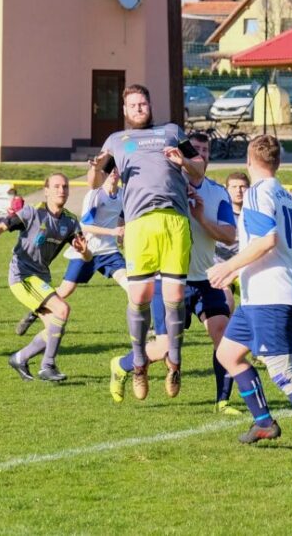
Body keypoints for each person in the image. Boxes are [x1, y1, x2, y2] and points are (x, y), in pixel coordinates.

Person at [207, 135, 292, 461]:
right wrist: (239, 271)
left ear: (249, 160)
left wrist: (229, 267)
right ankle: (264, 422)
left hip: (270, 295)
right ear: (278, 163)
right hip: (257, 296)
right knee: (228, 354)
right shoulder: (284, 195)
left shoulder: (257, 192)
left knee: (283, 372)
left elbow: (267, 240)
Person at [90, 83, 205, 400]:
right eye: (133, 105)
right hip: (139, 224)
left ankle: (175, 362)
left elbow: (199, 170)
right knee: (139, 296)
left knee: (174, 295)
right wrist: (99, 169)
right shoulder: (117, 141)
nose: (139, 108)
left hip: (174, 220)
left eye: (143, 103)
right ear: (125, 110)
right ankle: (139, 363)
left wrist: (183, 162)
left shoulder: (171, 132)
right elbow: (96, 182)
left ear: (150, 105)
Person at [110, 132, 239, 413]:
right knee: (163, 348)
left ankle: (223, 400)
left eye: (205, 150)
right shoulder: (166, 185)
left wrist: (202, 219)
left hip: (205, 279)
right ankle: (121, 365)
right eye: (195, 149)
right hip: (166, 279)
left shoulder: (218, 192)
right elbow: (127, 220)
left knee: (223, 335)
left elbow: (230, 235)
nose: (200, 154)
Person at [0, 173, 90, 382]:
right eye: (56, 186)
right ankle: (47, 366)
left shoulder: (70, 221)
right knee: (62, 309)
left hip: (41, 278)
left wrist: (84, 252)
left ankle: (19, 358)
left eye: (65, 187)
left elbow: (87, 256)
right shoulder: (32, 212)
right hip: (22, 275)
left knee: (55, 326)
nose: (61, 190)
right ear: (46, 191)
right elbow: (0, 227)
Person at [14, 167, 128, 336]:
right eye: (109, 170)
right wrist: (112, 232)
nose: (113, 173)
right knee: (66, 290)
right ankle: (35, 311)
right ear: (103, 174)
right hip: (87, 249)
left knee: (131, 286)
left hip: (109, 252)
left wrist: (120, 235)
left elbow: (121, 216)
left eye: (116, 170)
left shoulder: (123, 194)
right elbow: (84, 226)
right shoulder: (96, 195)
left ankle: (145, 329)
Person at [215, 171, 249, 312]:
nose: (238, 191)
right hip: (221, 268)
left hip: (244, 268)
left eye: (242, 187)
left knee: (260, 302)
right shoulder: (218, 213)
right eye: (234, 187)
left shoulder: (253, 214)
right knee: (227, 303)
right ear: (226, 189)